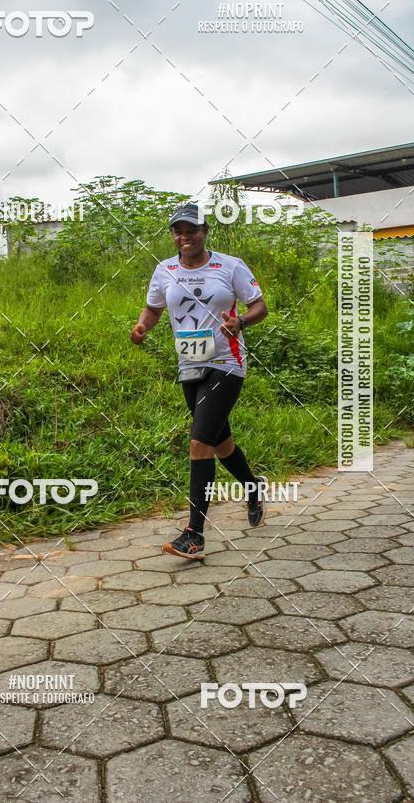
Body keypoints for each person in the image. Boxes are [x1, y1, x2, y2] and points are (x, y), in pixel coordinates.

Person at [130, 202, 268, 560]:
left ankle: (194, 534)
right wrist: (143, 326)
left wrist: (241, 323)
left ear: (205, 231)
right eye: (178, 230)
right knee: (220, 444)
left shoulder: (230, 265)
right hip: (190, 364)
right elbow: (155, 308)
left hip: (226, 362)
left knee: (198, 444)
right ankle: (253, 488)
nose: (184, 236)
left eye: (191, 229)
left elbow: (259, 306)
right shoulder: (165, 270)